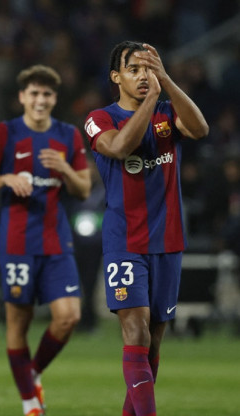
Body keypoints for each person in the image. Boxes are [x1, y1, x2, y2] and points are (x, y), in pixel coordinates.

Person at [84, 41, 209, 416]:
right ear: (116, 76)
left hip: (168, 240)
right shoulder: (100, 118)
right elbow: (121, 147)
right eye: (134, 69)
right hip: (124, 240)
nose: (143, 76)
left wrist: (166, 81)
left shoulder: (168, 113)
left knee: (152, 346)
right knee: (135, 331)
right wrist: (153, 98)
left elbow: (200, 129)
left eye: (148, 68)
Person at [0, 64, 91, 416]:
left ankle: (33, 372)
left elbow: (84, 189)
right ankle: (30, 403)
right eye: (35, 93)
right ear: (22, 97)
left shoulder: (69, 136)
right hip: (17, 243)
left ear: (55, 98)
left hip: (57, 241)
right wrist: (8, 179)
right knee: (18, 323)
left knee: (69, 316)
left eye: (47, 94)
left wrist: (65, 167)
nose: (41, 100)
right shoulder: (4, 133)